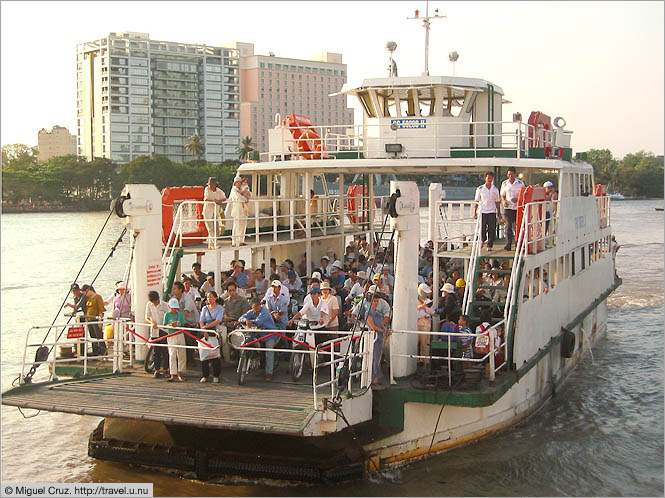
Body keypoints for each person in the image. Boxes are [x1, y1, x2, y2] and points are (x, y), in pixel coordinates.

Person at [239, 298, 279, 382]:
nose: (256, 308)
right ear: (252, 306)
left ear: (260, 305)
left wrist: (249, 321)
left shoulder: (264, 311)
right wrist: (245, 320)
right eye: (254, 306)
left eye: (258, 306)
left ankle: (269, 373)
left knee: (269, 349)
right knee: (246, 342)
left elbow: (259, 321)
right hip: (256, 333)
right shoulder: (251, 312)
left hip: (269, 333)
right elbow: (241, 318)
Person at [198, 291, 224, 383]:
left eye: (211, 297)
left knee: (215, 356)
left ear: (215, 298)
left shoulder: (220, 308)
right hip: (205, 333)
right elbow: (201, 320)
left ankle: (216, 375)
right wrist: (203, 329)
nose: (209, 299)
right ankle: (205, 375)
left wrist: (207, 327)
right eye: (208, 297)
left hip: (215, 332)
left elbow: (218, 321)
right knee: (204, 355)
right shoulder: (204, 308)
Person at [474, 171, 502, 251]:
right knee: (482, 228)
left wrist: (499, 213)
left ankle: (490, 245)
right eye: (488, 178)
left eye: (491, 178)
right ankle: (482, 240)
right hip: (482, 211)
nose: (489, 179)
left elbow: (497, 202)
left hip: (492, 211)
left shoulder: (495, 189)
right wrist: (475, 212)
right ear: (485, 178)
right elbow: (477, 201)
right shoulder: (480, 189)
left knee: (492, 229)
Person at [366, 297, 391, 386]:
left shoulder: (378, 314)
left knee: (378, 358)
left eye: (377, 301)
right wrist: (383, 331)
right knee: (374, 358)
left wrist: (386, 330)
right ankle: (374, 378)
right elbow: (372, 327)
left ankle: (376, 377)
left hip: (379, 338)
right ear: (370, 302)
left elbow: (381, 325)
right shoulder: (368, 313)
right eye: (374, 301)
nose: (376, 303)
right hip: (374, 339)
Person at [145, 290, 170, 378]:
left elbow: (168, 315)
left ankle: (166, 369)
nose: (155, 303)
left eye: (156, 301)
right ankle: (157, 369)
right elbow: (147, 317)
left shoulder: (164, 305)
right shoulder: (149, 305)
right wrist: (151, 322)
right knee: (156, 351)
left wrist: (165, 324)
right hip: (154, 330)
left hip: (163, 329)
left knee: (164, 350)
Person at [500, 168, 525, 251]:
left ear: (515, 174)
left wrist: (517, 199)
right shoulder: (504, 183)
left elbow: (524, 195)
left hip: (517, 208)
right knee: (508, 226)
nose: (510, 176)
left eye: (511, 174)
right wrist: (503, 201)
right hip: (508, 208)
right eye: (509, 174)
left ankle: (518, 243)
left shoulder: (520, 183)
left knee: (517, 226)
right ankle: (508, 244)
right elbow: (503, 195)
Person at [163, 297, 186, 382]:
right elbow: (164, 325)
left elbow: (183, 324)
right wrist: (170, 325)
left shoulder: (180, 314)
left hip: (180, 334)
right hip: (171, 335)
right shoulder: (167, 315)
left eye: (175, 308)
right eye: (172, 308)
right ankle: (173, 373)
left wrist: (178, 325)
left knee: (182, 354)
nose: (174, 309)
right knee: (172, 354)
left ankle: (180, 372)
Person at [81, 284, 107, 356]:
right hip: (89, 319)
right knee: (92, 336)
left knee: (98, 335)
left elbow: (101, 309)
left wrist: (100, 320)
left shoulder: (98, 297)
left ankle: (103, 351)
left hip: (96, 319)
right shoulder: (89, 298)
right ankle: (95, 350)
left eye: (85, 293)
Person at [226, 175, 251, 247]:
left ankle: (241, 240)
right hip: (237, 209)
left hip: (243, 209)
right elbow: (239, 197)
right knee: (236, 225)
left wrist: (246, 196)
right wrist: (246, 199)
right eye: (238, 182)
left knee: (243, 225)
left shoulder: (243, 188)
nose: (239, 183)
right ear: (235, 183)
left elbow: (249, 195)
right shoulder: (234, 189)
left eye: (240, 182)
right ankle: (234, 241)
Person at [203, 176, 227, 249]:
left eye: (212, 184)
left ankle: (211, 244)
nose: (210, 186)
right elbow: (206, 198)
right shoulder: (207, 189)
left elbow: (224, 197)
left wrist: (220, 201)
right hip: (207, 212)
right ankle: (215, 244)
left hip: (215, 212)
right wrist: (214, 200)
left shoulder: (219, 191)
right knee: (210, 229)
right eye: (210, 184)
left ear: (215, 185)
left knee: (216, 229)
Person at [417, 290, 434, 368]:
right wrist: (421, 306)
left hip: (425, 325)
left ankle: (425, 362)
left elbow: (432, 311)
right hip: (416, 325)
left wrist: (425, 307)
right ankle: (417, 360)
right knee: (415, 344)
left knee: (425, 344)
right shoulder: (414, 300)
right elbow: (414, 311)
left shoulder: (428, 301)